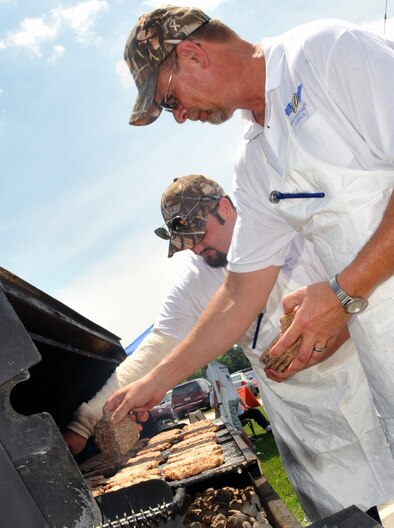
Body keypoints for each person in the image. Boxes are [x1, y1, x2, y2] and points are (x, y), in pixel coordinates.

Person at [122, 6, 394, 454]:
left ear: (192, 54)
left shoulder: (323, 54)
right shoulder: (254, 158)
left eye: (169, 99)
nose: (178, 116)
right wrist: (156, 381)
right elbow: (238, 293)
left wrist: (344, 292)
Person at [65, 174, 394, 522]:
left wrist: (335, 333)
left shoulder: (287, 223)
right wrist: (84, 423)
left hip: (361, 370)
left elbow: (362, 281)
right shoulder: (196, 278)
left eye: (199, 235)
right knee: (348, 514)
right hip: (302, 407)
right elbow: (158, 347)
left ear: (224, 208)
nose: (195, 248)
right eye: (185, 242)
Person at [206, 359, 271, 437]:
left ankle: (268, 427)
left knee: (255, 412)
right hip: (228, 417)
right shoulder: (213, 393)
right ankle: (247, 441)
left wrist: (245, 405)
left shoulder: (213, 371)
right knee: (236, 423)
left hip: (238, 413)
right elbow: (216, 409)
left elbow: (219, 384)